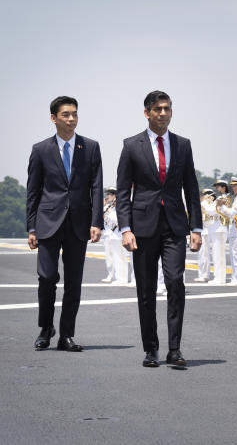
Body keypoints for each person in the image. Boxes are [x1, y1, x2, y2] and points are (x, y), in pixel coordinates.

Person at [116, 90, 202, 368]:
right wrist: (125, 228)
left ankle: (174, 349)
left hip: (175, 227)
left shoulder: (183, 144)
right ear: (147, 113)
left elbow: (191, 187)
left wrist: (196, 228)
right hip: (142, 227)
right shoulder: (132, 145)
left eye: (167, 108)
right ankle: (151, 348)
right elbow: (121, 191)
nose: (163, 113)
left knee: (176, 282)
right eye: (157, 109)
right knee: (146, 290)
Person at [26, 96, 103, 352]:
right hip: (48, 222)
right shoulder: (40, 150)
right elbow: (33, 191)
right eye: (66, 114)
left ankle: (66, 334)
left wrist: (96, 222)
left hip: (79, 224)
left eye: (74, 114)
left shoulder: (90, 147)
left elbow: (96, 187)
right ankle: (46, 328)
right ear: (53, 118)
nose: (71, 119)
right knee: (47, 278)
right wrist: (31, 227)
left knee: (74, 282)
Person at [204, 180, 229, 284]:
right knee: (215, 254)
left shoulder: (226, 198)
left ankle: (221, 278)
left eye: (218, 186)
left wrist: (213, 207)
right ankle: (217, 276)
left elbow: (211, 210)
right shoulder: (219, 198)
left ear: (223, 187)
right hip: (215, 228)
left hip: (220, 228)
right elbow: (210, 209)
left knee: (219, 255)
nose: (217, 189)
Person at [194, 189, 214, 282]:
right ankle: (202, 274)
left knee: (204, 254)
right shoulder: (200, 204)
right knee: (201, 255)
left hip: (205, 231)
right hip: (200, 231)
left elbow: (208, 219)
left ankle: (205, 275)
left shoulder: (205, 205)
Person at [102, 188, 117, 283]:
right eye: (107, 194)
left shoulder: (117, 207)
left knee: (117, 257)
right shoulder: (106, 208)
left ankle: (118, 276)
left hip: (116, 234)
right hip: (107, 234)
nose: (107, 196)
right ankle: (110, 275)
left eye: (110, 195)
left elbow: (116, 221)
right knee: (108, 257)